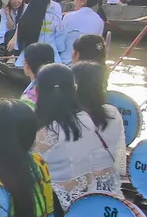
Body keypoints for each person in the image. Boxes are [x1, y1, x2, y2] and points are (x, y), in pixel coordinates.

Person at [32, 63, 119, 209]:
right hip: (85, 195)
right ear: (75, 89)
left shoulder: (47, 132)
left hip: (57, 202)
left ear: (36, 92)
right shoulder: (85, 118)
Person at [71, 61, 126, 180]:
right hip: (108, 186)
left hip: (77, 188)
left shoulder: (68, 119)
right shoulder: (113, 113)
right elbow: (119, 157)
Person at [8, 0, 63, 64]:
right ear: (48, 2)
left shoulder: (26, 17)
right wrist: (60, 50)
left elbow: (21, 37)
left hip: (29, 53)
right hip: (50, 52)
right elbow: (59, 38)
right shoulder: (55, 18)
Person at [0, 0, 25, 67]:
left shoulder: (26, 8)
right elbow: (10, 27)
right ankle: (2, 61)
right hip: (9, 34)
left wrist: (14, 39)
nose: (16, 2)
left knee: (12, 36)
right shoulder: (4, 10)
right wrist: (7, 15)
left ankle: (16, 59)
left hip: (23, 34)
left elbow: (21, 26)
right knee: (5, 36)